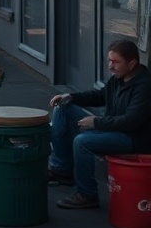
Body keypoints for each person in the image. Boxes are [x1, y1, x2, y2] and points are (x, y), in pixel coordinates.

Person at [48, 38, 151, 209]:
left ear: (132, 63)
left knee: (82, 142)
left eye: (116, 62)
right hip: (112, 128)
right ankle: (61, 171)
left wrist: (96, 123)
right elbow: (100, 96)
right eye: (109, 61)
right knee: (63, 108)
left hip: (133, 139)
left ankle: (87, 194)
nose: (110, 66)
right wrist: (71, 97)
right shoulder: (118, 78)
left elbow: (131, 122)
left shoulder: (144, 86)